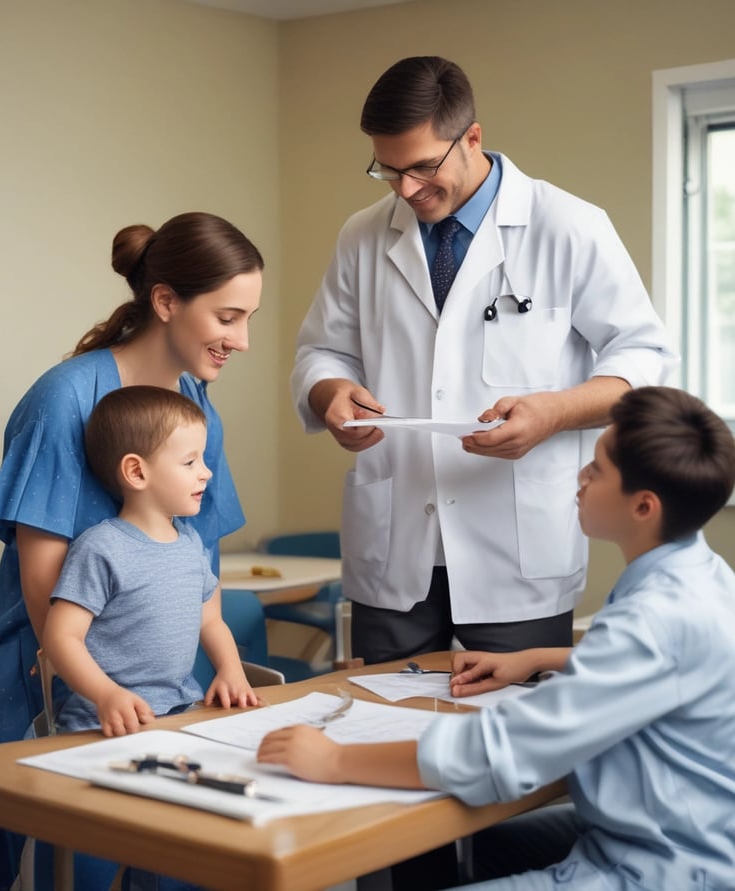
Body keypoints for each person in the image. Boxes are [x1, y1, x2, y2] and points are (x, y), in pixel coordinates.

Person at [257, 386, 735, 890]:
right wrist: (535, 658)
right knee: (487, 845)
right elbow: (663, 667)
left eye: (597, 469)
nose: (580, 477)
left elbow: (504, 752)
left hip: (662, 868)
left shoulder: (653, 619)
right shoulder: (703, 577)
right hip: (686, 832)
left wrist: (332, 759)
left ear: (643, 507)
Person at [290, 56, 677, 667]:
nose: (406, 190)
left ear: (472, 137)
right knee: (372, 724)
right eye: (388, 172)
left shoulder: (569, 227)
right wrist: (331, 393)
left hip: (518, 548)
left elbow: (646, 356)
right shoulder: (361, 235)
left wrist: (554, 411)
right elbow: (321, 351)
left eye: (422, 167)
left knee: (519, 736)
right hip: (396, 545)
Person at [0, 211, 262, 890]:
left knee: (176, 858)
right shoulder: (64, 401)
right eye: (228, 317)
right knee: (66, 857)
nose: (243, 340)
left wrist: (213, 666)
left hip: (162, 683)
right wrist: (103, 691)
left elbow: (203, 560)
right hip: (67, 677)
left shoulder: (198, 408)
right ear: (165, 301)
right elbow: (48, 592)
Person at [43, 386, 259, 737]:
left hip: (179, 714)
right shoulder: (101, 548)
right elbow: (61, 637)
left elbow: (212, 620)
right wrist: (106, 695)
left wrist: (231, 670)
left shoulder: (191, 543)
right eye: (190, 462)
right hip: (103, 724)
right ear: (137, 472)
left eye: (203, 460)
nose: (206, 473)